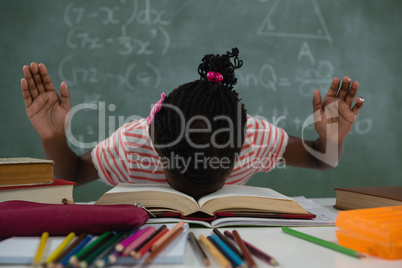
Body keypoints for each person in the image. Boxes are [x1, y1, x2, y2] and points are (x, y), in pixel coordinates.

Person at [21, 48, 364, 199]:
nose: (195, 196)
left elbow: (322, 159)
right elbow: (74, 177)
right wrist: (53, 137)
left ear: (242, 146)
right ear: (155, 144)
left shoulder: (256, 137)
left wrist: (330, 140)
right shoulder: (132, 143)